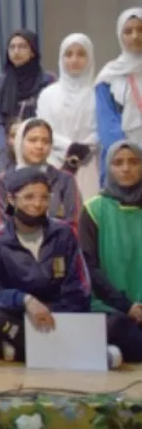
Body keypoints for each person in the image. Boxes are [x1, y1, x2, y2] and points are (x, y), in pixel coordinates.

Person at [0, 167, 122, 368]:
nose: (37, 204)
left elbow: (80, 289)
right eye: (29, 197)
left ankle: (22, 351)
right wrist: (25, 300)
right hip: (18, 314)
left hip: (60, 315)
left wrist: (51, 310)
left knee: (118, 323)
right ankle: (83, 354)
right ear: (11, 199)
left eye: (44, 198)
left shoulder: (64, 234)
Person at [80, 142, 142, 362]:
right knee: (118, 326)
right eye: (118, 162)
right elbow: (89, 267)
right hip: (111, 307)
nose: (126, 168)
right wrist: (127, 306)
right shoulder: (94, 209)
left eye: (134, 162)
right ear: (109, 167)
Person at [37, 33, 100, 199]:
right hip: (55, 162)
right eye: (68, 54)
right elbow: (43, 130)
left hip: (91, 164)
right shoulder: (47, 95)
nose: (74, 59)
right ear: (61, 58)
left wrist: (85, 148)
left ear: (90, 58)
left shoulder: (98, 93)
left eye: (81, 54)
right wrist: (69, 147)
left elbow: (102, 128)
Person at [0, 118, 81, 229]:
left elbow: (73, 224)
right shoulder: (3, 183)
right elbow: (3, 227)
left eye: (46, 141)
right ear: (20, 142)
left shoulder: (65, 180)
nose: (39, 146)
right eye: (32, 140)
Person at [0, 30, 55, 167]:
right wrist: (4, 148)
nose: (16, 51)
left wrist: (32, 143)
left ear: (33, 51)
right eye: (12, 47)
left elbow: (51, 118)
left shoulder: (47, 81)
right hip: (7, 152)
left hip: (39, 148)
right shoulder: (0, 82)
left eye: (22, 46)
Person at [95, 7, 142, 185]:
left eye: (140, 30)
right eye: (128, 31)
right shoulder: (109, 76)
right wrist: (130, 157)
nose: (135, 36)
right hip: (122, 161)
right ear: (120, 36)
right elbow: (107, 124)